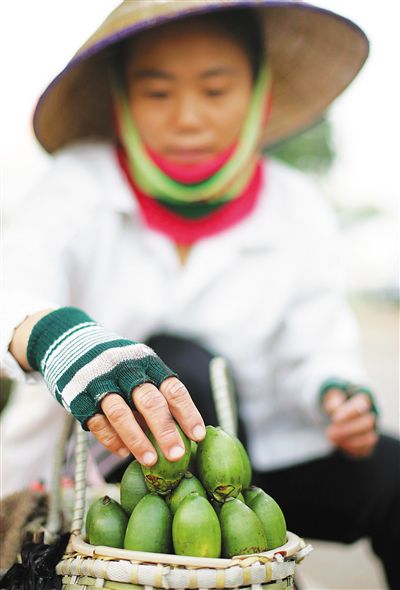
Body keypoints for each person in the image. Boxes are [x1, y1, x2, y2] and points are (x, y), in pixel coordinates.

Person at [1, 1, 399, 587]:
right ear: (124, 100)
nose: (188, 117)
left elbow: (317, 342)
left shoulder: (296, 206)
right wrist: (57, 335)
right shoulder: (77, 185)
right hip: (105, 481)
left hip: (247, 469)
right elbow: (14, 282)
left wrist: (336, 395)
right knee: (176, 357)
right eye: (158, 93)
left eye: (215, 91)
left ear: (258, 94)